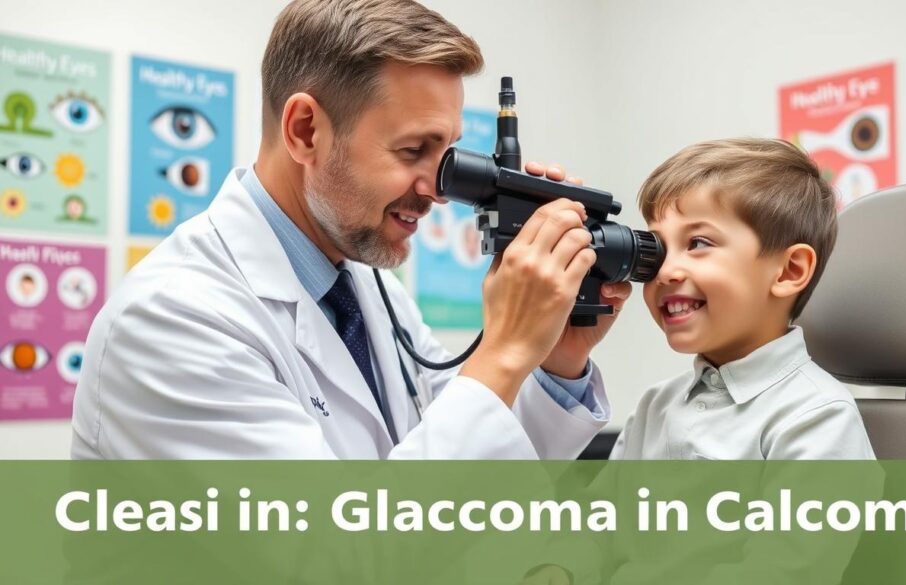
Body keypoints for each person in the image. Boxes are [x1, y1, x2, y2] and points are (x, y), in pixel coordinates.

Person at [70, 0, 630, 459]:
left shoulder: (370, 290)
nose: (438, 190)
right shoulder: (172, 321)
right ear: (305, 130)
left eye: (447, 152)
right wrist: (504, 351)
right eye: (413, 149)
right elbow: (339, 544)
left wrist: (555, 356)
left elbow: (478, 464)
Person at [613, 137, 874, 460]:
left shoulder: (817, 416)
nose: (664, 272)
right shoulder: (653, 408)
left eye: (697, 243)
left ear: (789, 271)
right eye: (658, 248)